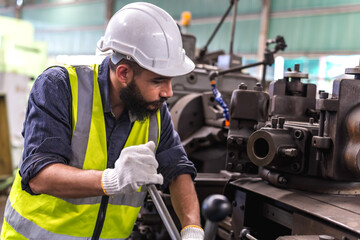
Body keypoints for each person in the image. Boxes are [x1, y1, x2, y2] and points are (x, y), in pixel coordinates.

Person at [1, 2, 204, 240]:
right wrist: (112, 180)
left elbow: (178, 168)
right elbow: (38, 176)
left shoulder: (155, 110)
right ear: (124, 73)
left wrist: (192, 229)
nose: (168, 92)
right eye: (158, 81)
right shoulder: (60, 87)